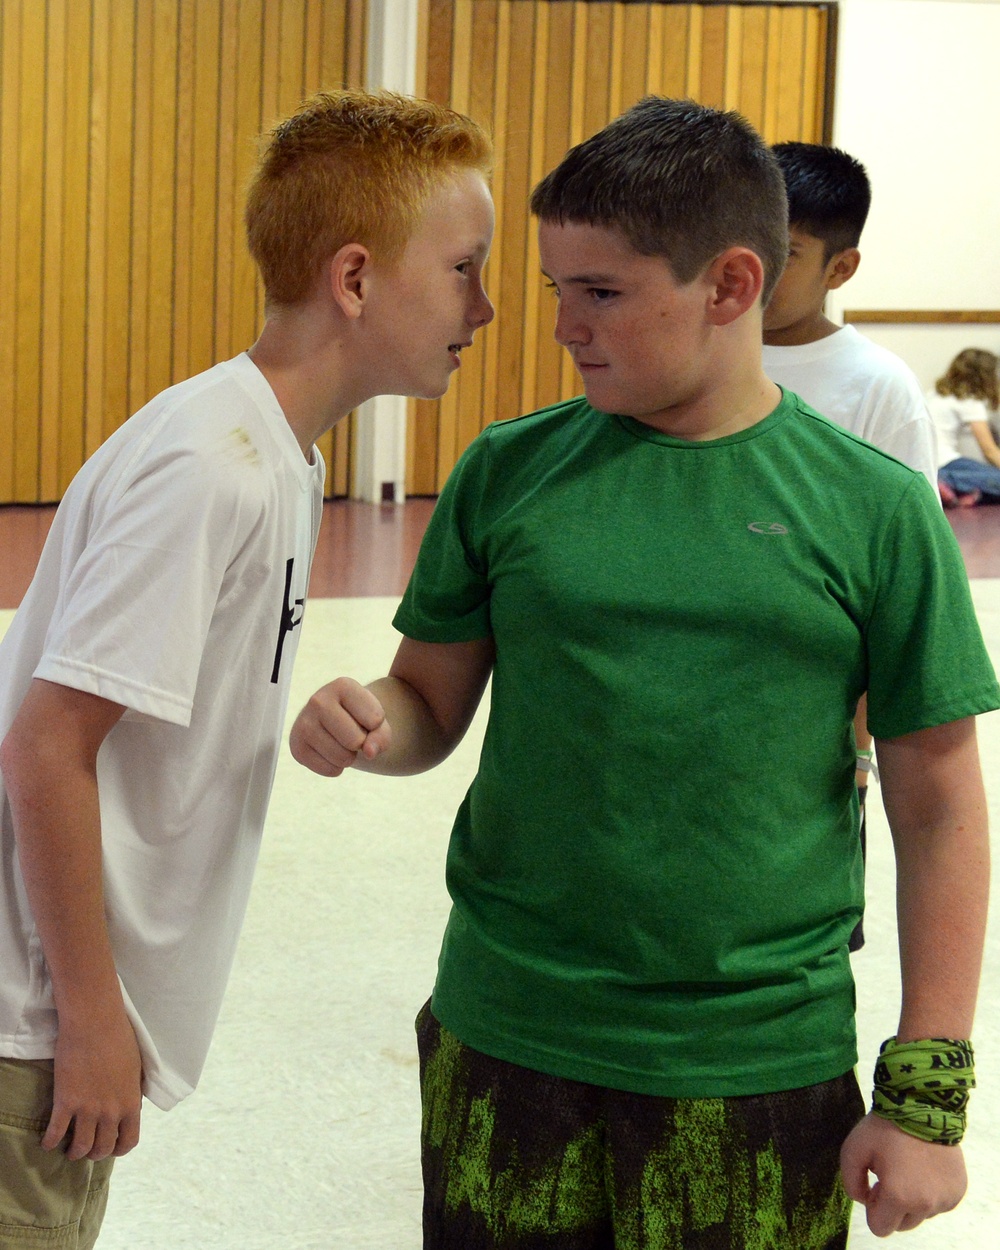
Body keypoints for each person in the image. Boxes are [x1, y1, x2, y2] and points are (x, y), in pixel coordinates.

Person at [291, 96, 997, 1249]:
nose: (562, 325)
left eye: (602, 292)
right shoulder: (507, 471)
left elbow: (938, 805)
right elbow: (428, 700)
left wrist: (927, 1095)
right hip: (504, 1037)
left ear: (728, 285)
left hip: (754, 1065)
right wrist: (372, 717)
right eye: (557, 285)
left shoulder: (872, 511)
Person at [0, 88, 493, 1247]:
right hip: (28, 1022)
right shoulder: (209, 464)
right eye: (465, 268)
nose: (488, 306)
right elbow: (46, 743)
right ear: (356, 278)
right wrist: (89, 1013)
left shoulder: (271, 456)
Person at [761, 142, 940, 952]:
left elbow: (903, 581)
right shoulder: (684, 351)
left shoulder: (876, 384)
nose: (754, 268)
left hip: (820, 709)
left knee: (802, 912)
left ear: (842, 268)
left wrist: (863, 737)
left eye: (786, 253)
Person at [928, 347, 1000, 506]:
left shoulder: (936, 393)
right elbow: (990, 451)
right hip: (945, 462)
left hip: (930, 460)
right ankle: (947, 480)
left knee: (984, 478)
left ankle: (962, 492)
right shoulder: (969, 400)